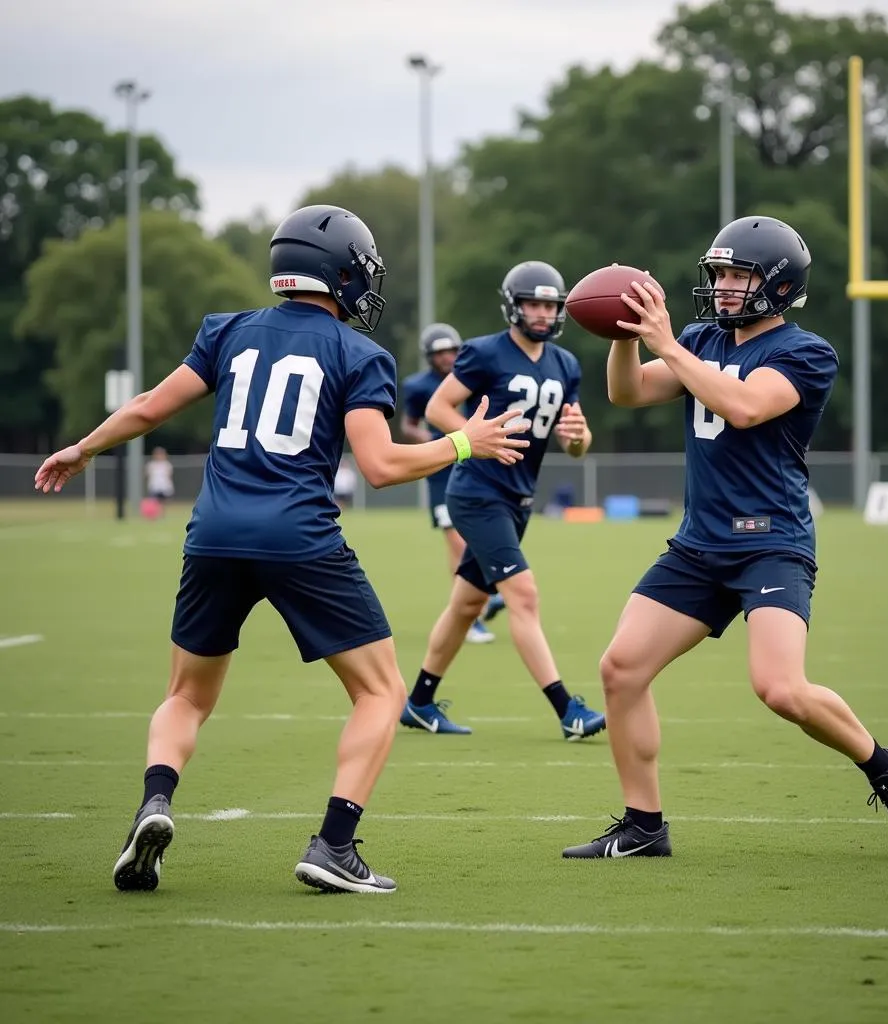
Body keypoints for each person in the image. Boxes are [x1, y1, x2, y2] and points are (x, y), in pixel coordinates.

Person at [33, 204, 529, 894]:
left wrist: (84, 447)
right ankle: (334, 843)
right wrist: (464, 443)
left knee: (185, 695)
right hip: (298, 537)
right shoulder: (359, 353)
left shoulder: (228, 331)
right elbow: (381, 465)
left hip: (212, 534)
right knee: (382, 690)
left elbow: (149, 405)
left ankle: (154, 803)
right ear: (343, 275)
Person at [562, 216, 888, 860]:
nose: (726, 286)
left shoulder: (805, 352)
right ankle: (643, 825)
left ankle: (886, 766)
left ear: (778, 285)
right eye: (720, 274)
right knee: (621, 670)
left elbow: (746, 406)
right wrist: (626, 335)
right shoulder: (704, 336)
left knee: (781, 688)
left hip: (770, 540)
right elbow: (628, 393)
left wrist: (667, 344)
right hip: (700, 544)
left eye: (739, 274)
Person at [399, 261, 606, 739]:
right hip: (476, 492)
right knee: (523, 595)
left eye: (549, 304)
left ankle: (419, 701)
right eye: (532, 303)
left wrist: (578, 436)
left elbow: (577, 446)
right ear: (514, 305)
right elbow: (437, 407)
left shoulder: (565, 364)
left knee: (466, 604)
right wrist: (473, 437)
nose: (540, 312)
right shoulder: (485, 353)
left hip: (519, 498)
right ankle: (567, 710)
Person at [401, 323, 505, 644]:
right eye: (439, 353)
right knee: (457, 544)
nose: (447, 357)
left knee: (483, 539)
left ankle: (485, 591)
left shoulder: (475, 375)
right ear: (429, 357)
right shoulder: (418, 386)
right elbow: (409, 424)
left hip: (477, 468)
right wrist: (436, 440)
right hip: (442, 470)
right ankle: (473, 615)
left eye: (451, 351)